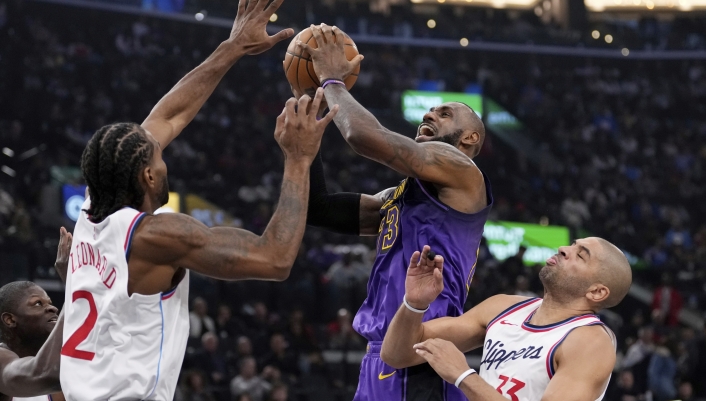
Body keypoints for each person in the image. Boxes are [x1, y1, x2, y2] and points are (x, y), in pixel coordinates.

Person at [59, 2, 340, 400]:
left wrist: (234, 45)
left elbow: (170, 114)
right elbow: (273, 259)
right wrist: (298, 159)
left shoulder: (93, 206)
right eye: (160, 156)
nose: (164, 154)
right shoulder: (158, 236)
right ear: (148, 176)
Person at [296, 24, 493, 401]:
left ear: (470, 138)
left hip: (420, 353)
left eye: (446, 113)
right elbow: (316, 208)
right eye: (431, 109)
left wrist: (331, 81)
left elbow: (362, 137)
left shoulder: (464, 174)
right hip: (378, 358)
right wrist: (308, 140)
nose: (431, 114)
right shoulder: (401, 196)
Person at [381, 238, 632, 401]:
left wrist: (463, 375)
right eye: (572, 245)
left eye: (581, 255)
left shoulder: (590, 341)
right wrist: (414, 304)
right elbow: (397, 354)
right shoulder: (503, 306)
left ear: (597, 292)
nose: (564, 249)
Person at [0, 227, 72, 401]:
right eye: (37, 304)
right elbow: (43, 374)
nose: (52, 308)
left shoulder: (56, 365)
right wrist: (74, 286)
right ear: (10, 319)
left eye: (50, 303)